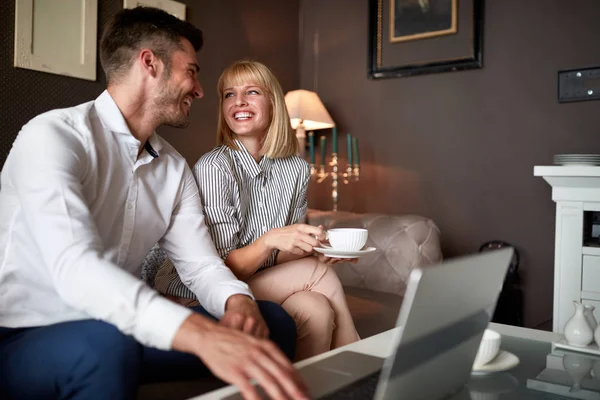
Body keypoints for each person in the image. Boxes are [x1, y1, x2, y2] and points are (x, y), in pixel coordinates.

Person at [0, 7, 309, 400]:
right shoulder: (53, 137)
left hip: (118, 327)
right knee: (103, 346)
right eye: (192, 71)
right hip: (23, 334)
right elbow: (74, 269)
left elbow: (200, 265)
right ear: (150, 63)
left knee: (273, 322)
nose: (199, 89)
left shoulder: (174, 170)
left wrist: (238, 302)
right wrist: (199, 334)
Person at [155, 60, 360, 360]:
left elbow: (280, 254)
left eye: (251, 92)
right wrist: (270, 241)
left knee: (315, 308)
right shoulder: (215, 167)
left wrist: (315, 248)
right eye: (229, 94)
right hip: (200, 290)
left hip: (257, 279)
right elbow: (221, 269)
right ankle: (358, 364)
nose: (238, 101)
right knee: (319, 275)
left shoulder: (297, 169)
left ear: (273, 103)